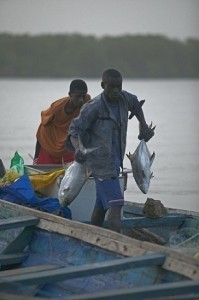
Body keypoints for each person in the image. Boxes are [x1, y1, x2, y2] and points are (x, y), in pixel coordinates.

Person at [67, 69, 155, 232]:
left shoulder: (123, 98)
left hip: (116, 161)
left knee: (100, 206)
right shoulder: (93, 107)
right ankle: (117, 246)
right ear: (103, 85)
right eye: (111, 87)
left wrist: (143, 125)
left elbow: (136, 104)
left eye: (118, 87)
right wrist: (77, 148)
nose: (115, 91)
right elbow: (74, 130)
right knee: (117, 206)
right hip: (100, 164)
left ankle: (94, 238)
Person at [33, 79, 91, 165]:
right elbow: (42, 128)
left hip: (68, 145)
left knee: (75, 169)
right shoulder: (57, 107)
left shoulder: (86, 101)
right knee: (44, 172)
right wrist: (36, 157)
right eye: (78, 96)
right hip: (51, 143)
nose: (81, 100)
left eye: (83, 96)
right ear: (70, 95)